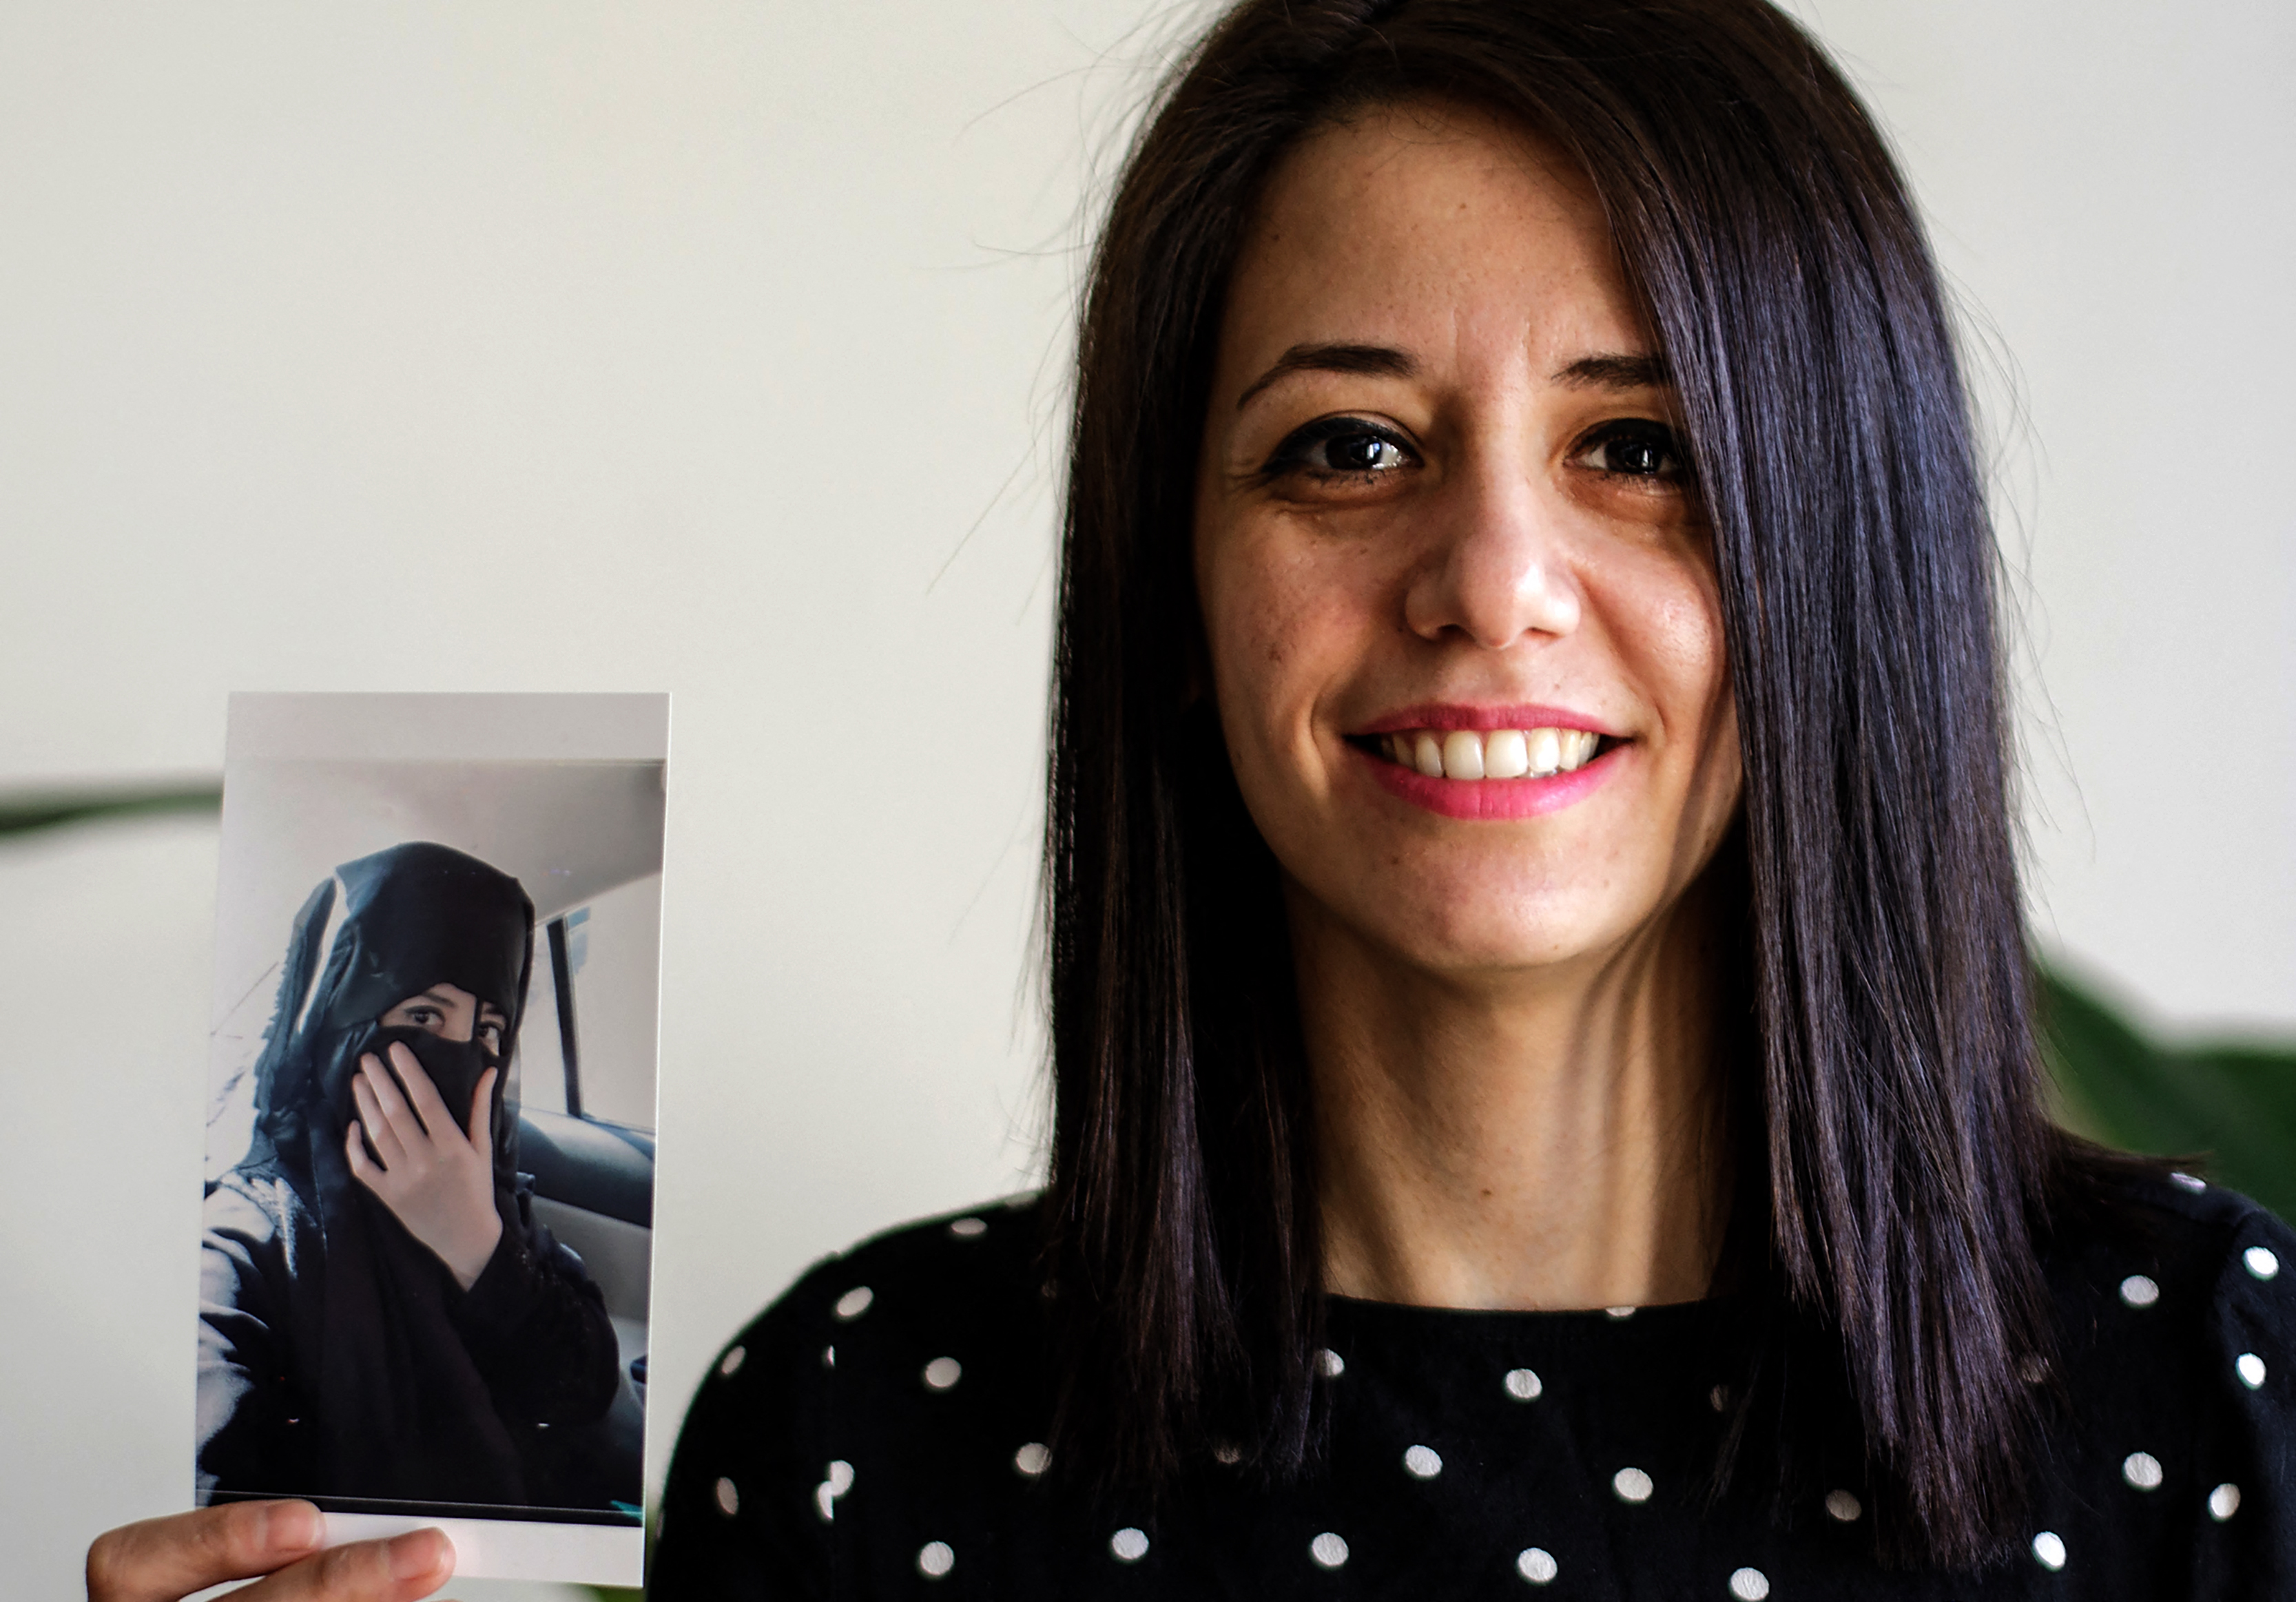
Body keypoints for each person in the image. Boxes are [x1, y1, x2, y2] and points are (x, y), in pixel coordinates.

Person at [85, 1, 2296, 1598]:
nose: (1491, 584)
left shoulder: (2222, 1394)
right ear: (1173, 578)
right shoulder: (855, 1438)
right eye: (1346, 446)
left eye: (1646, 448)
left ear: (1851, 545)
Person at [194, 842, 623, 1516]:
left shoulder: (490, 1195)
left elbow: (582, 1385)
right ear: (340, 1027)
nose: (463, 1055)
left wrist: (477, 1249)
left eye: (488, 1030)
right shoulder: (248, 1240)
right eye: (423, 1016)